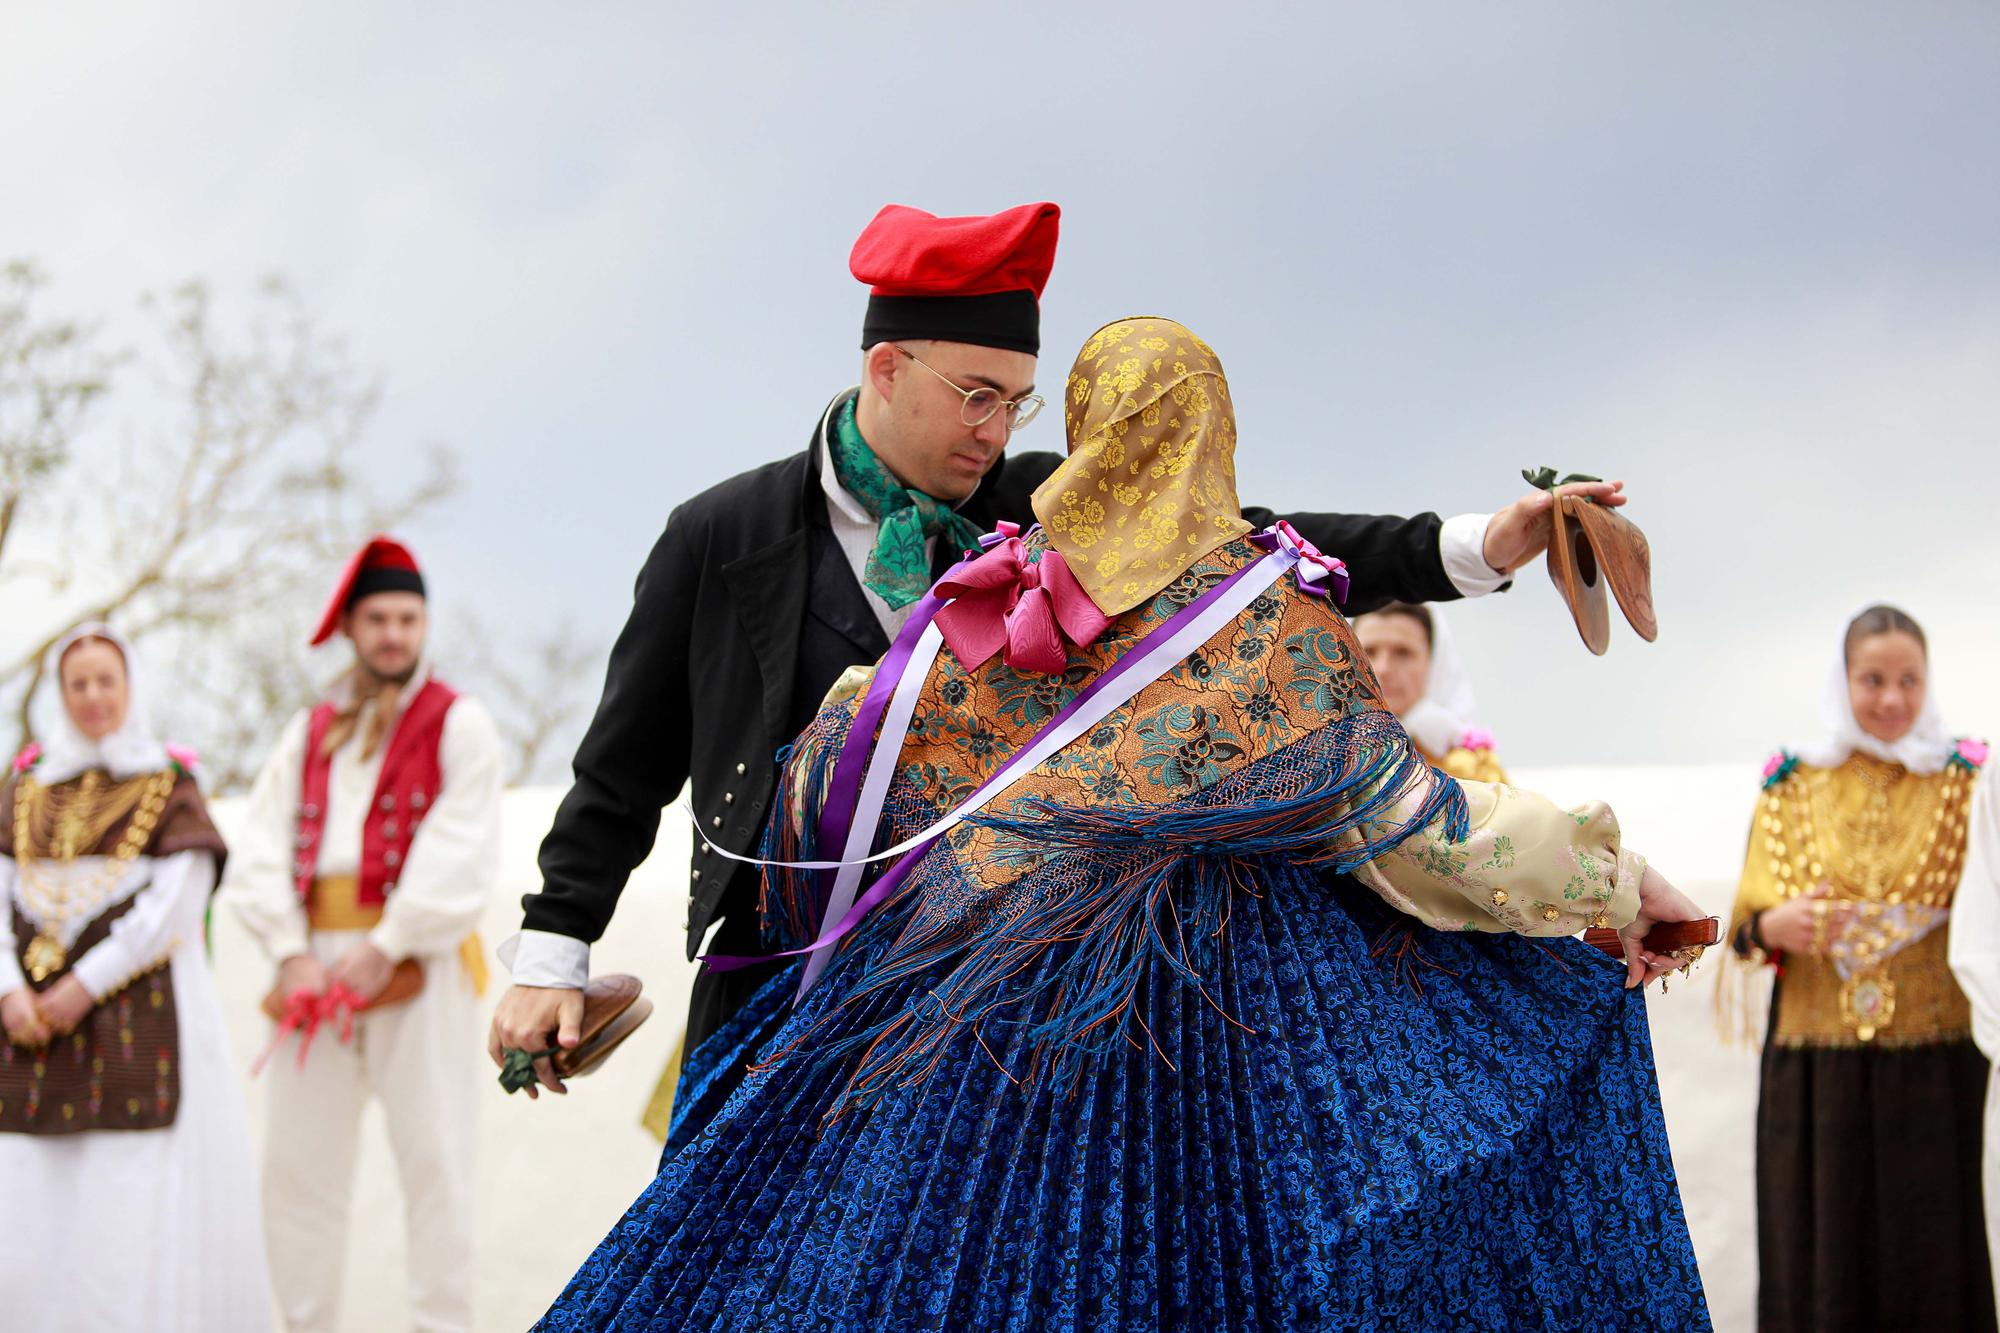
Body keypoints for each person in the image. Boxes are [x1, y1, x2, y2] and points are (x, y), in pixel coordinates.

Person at [533, 317, 1710, 1332]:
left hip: (939, 1068)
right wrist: (1617, 884)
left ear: (1085, 431)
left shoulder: (984, 609)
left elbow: (827, 782)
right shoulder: (1264, 631)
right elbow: (1428, 829)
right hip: (1173, 1082)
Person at [491, 202, 1635, 1126]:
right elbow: (620, 770)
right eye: (973, 395)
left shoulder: (1047, 504)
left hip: (989, 1007)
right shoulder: (721, 535)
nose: (996, 429)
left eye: (1016, 400)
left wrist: (1479, 542)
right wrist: (552, 951)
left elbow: (1248, 542)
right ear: (885, 368)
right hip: (784, 979)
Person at [221, 536, 504, 1333]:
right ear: (351, 626)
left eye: (408, 618)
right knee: (296, 1172)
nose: (393, 634)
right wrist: (288, 954)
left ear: (424, 624)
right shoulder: (308, 732)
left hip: (417, 965)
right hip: (312, 969)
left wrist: (389, 943)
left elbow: (462, 845)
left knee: (436, 1163)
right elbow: (260, 846)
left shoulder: (460, 722)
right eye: (378, 618)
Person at [1725, 603, 1992, 1332]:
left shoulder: (1969, 782)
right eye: (1872, 678)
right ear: (1842, 682)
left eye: (1909, 679)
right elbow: (1745, 931)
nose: (1892, 698)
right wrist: (1779, 924)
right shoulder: (1789, 785)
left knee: (1933, 1242)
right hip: (1814, 1063)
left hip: (1936, 1055)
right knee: (1820, 1245)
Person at [0, 623, 270, 1330]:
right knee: (27, 1196)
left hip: (136, 1024)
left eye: (105, 681)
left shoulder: (168, 783)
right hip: (26, 1030)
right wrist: (8, 990)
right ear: (61, 693)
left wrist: (84, 983)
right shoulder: (25, 787)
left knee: (127, 1200)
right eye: (77, 683)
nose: (93, 696)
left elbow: (178, 902)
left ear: (130, 687)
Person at [1354, 600, 1508, 782]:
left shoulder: (1474, 767)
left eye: (1403, 652)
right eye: (1369, 652)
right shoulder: (1322, 758)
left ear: (1436, 664)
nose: (1383, 668)